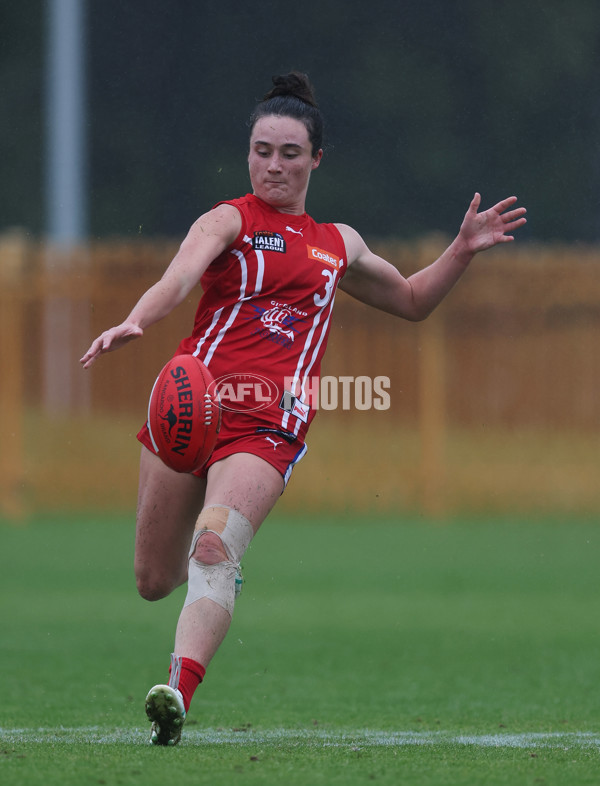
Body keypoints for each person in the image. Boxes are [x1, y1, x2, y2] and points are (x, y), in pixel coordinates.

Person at [80, 71, 526, 746]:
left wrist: (460, 252)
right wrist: (136, 319)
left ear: (317, 158)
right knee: (152, 579)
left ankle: (177, 690)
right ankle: (200, 600)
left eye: (290, 152)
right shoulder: (228, 219)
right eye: (262, 150)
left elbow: (409, 302)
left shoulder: (336, 243)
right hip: (189, 409)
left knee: (215, 543)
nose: (274, 165)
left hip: (269, 426)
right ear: (248, 153)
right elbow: (177, 275)